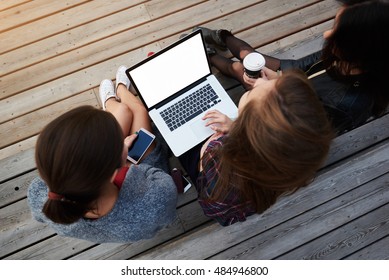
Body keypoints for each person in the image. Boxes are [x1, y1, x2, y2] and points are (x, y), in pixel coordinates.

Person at [27, 66, 178, 243]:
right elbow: (163, 207)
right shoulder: (156, 195)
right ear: (118, 165)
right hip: (141, 172)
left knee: (123, 113)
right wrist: (131, 168)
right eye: (118, 144)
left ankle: (111, 101)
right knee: (138, 111)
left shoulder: (43, 197)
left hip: (113, 179)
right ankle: (121, 89)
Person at [194, 0, 389, 135]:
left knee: (239, 68)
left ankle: (209, 53)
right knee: (250, 57)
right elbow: (304, 66)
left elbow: (285, 130)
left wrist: (235, 125)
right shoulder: (344, 57)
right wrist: (279, 78)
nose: (326, 34)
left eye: (338, 32)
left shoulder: (345, 105)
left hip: (286, 109)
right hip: (296, 84)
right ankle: (222, 37)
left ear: (362, 48)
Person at [179, 69, 334, 226]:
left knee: (185, 151)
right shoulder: (292, 160)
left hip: (219, 195)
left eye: (254, 91)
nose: (259, 81)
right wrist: (234, 127)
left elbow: (211, 201)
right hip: (251, 197)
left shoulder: (215, 150)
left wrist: (206, 150)